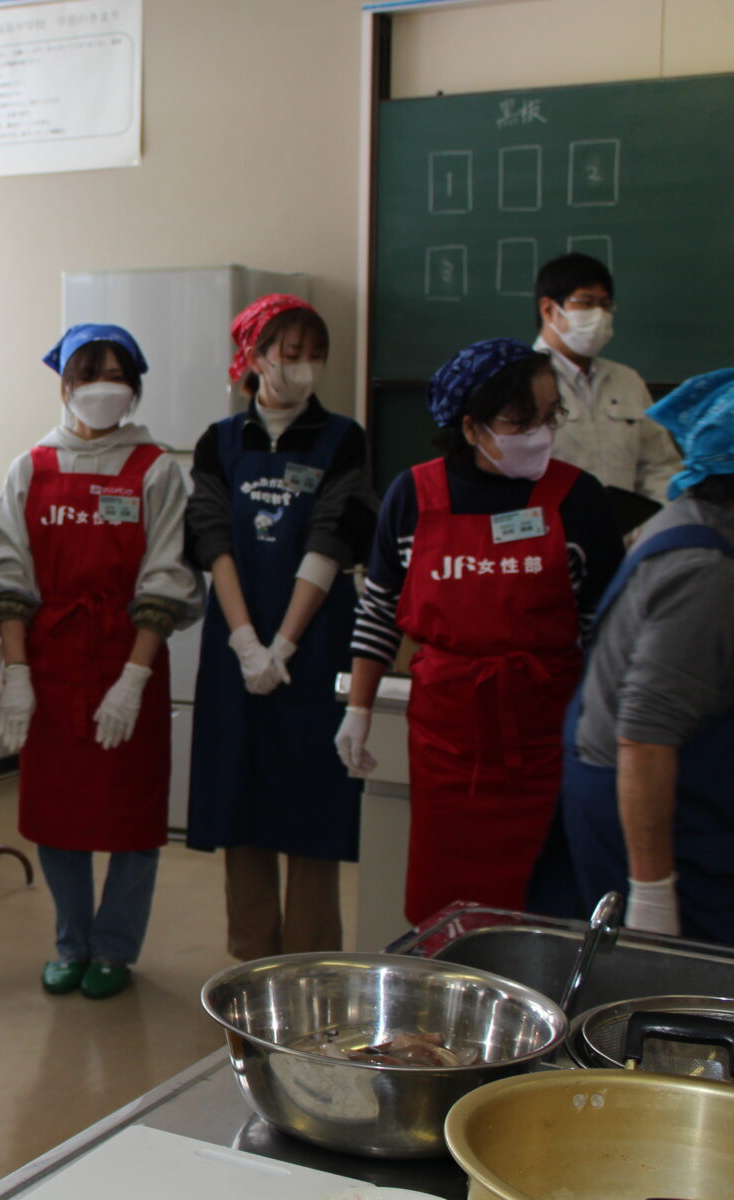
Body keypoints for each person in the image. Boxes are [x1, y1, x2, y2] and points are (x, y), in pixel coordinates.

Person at [340, 339, 622, 925]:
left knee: (544, 908)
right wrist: (358, 709)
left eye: (551, 417)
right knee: (449, 911)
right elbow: (379, 610)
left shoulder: (579, 499)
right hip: (448, 746)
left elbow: (605, 636)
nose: (542, 433)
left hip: (548, 743)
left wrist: (607, 739)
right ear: (470, 427)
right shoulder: (413, 496)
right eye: (522, 421)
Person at [0, 324, 202, 1000]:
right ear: (65, 385)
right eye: (89, 375)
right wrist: (17, 673)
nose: (102, 389)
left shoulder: (157, 469)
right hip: (48, 660)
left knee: (132, 816)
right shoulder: (31, 466)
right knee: (58, 812)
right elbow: (7, 574)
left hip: (125, 655)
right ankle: (70, 941)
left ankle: (115, 947)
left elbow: (168, 573)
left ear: (134, 389)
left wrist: (134, 679)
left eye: (117, 375)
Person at [185, 295, 376, 960]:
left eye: (313, 355)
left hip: (314, 637)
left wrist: (285, 643)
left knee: (312, 798)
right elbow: (212, 537)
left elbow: (332, 535)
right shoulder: (220, 440)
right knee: (243, 797)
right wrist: (245, 641)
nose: (302, 367)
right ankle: (252, 964)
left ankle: (311, 966)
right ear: (255, 357)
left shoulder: (342, 436)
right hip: (236, 634)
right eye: (288, 354)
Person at [557, 368, 734, 943]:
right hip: (649, 822)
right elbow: (646, 737)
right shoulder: (704, 569)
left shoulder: (698, 526)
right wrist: (653, 896)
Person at [533, 253, 681, 504]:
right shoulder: (520, 381)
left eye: (605, 305)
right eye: (587, 303)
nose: (599, 314)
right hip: (553, 533)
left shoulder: (628, 381)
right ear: (549, 309)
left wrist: (654, 527)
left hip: (632, 536)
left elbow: (660, 467)